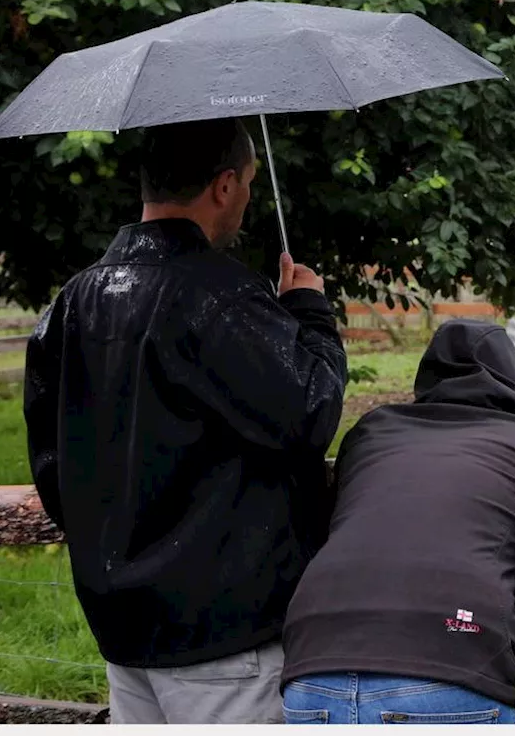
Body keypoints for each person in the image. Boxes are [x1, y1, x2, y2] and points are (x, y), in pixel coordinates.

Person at [23, 117, 348, 725]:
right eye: (249, 183)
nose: (249, 198)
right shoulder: (217, 296)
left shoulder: (74, 301)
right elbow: (312, 407)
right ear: (224, 186)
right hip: (221, 636)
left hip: (119, 624)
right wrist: (309, 309)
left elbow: (52, 465)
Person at [281, 319, 515, 726]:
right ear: (514, 377)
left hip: (312, 663)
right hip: (450, 663)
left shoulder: (371, 431)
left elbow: (341, 531)